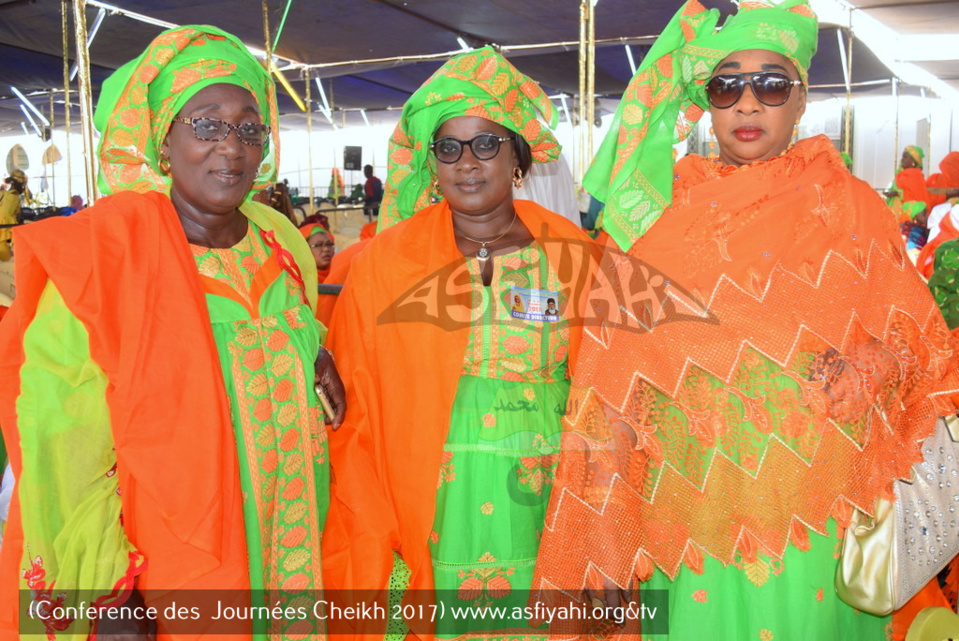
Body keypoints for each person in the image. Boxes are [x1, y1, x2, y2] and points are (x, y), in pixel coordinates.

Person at [531, 2, 959, 640]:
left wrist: (875, 365)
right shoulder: (653, 224)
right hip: (695, 518)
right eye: (727, 84)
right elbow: (613, 380)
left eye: (771, 83)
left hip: (826, 513)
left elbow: (920, 344)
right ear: (706, 102)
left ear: (801, 99)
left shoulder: (852, 210)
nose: (749, 102)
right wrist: (610, 516)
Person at [0, 25, 346, 640]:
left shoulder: (277, 237)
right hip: (173, 553)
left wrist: (313, 353)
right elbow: (60, 438)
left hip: (292, 527)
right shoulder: (110, 257)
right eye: (206, 125)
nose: (232, 147)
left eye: (249, 127)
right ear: (162, 142)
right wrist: (105, 593)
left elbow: (288, 322)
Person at [322, 46, 595, 640]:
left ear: (518, 158)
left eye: (486, 144)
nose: (467, 163)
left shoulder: (576, 255)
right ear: (432, 163)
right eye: (449, 148)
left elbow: (612, 383)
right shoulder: (386, 264)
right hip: (431, 496)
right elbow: (356, 403)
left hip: (550, 496)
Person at [0, 170, 30, 261]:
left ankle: (6, 257)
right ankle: (5, 257)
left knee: (4, 242)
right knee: (3, 242)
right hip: (5, 219)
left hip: (6, 218)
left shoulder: (8, 186)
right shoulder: (14, 190)